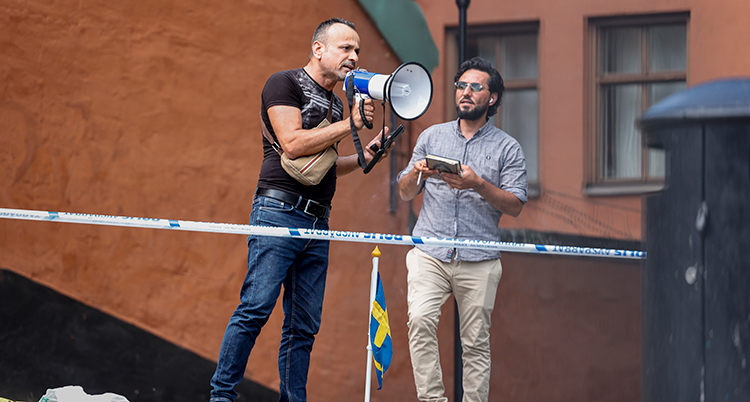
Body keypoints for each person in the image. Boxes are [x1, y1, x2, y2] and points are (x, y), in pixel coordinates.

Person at [210, 18, 390, 402]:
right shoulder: (284, 83)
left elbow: (325, 162)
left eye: (358, 50)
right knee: (255, 308)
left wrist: (365, 154)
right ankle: (221, 396)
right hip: (278, 211)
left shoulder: (337, 101)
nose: (355, 57)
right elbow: (292, 144)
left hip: (318, 222)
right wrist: (349, 124)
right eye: (346, 48)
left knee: (303, 326)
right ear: (318, 49)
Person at [396, 56, 528, 402]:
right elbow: (406, 191)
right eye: (460, 86)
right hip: (430, 252)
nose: (465, 93)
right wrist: (416, 174)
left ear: (493, 98)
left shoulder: (507, 147)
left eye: (474, 87)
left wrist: (477, 184)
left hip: (479, 256)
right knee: (420, 321)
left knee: (475, 343)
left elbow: (515, 205)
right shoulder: (431, 136)